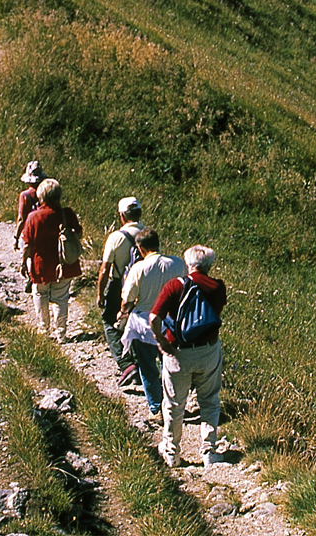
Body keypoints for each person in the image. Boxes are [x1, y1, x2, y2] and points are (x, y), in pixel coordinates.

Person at [151, 244, 228, 467]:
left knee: (174, 403)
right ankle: (209, 452)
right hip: (208, 350)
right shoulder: (218, 287)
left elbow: (155, 317)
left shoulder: (175, 286)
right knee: (209, 400)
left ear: (188, 263)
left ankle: (171, 452)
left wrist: (161, 341)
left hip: (177, 351)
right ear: (209, 265)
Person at [117, 229, 184, 420]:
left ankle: (157, 407)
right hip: (170, 320)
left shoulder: (139, 268)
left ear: (140, 247)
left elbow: (127, 298)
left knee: (147, 367)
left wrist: (123, 311)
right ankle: (173, 405)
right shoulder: (178, 263)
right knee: (170, 366)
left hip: (144, 322)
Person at [19, 177, 82, 340]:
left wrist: (23, 263)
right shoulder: (67, 214)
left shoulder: (33, 217)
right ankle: (61, 333)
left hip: (41, 265)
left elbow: (27, 244)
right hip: (64, 263)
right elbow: (78, 234)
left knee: (40, 294)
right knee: (61, 297)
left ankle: (43, 330)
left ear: (41, 196)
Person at [96, 197, 146, 375]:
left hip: (119, 284)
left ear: (122, 216)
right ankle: (141, 363)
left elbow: (104, 269)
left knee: (110, 321)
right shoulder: (148, 234)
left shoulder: (116, 237)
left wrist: (100, 294)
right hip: (144, 284)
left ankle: (126, 364)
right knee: (137, 323)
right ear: (139, 213)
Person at [13, 161, 46, 248]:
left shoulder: (25, 195)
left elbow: (21, 219)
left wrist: (16, 238)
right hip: (45, 233)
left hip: (29, 233)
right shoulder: (46, 193)